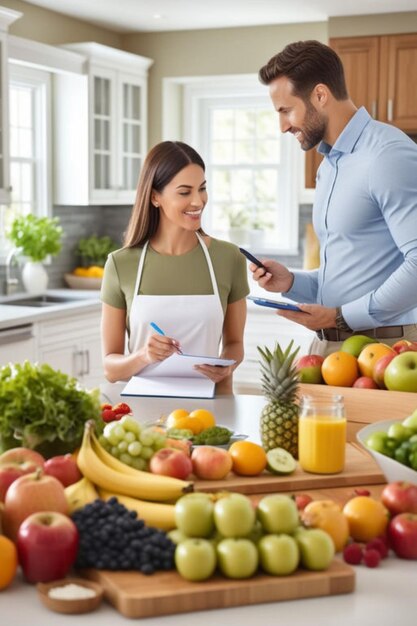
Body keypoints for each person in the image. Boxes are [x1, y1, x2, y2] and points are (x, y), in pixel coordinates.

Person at [250, 40, 417, 355]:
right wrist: (290, 282)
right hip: (329, 347)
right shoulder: (328, 166)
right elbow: (347, 273)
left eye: (286, 110)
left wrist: (342, 317)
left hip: (386, 348)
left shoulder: (387, 154)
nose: (282, 126)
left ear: (320, 95)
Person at [101, 140, 249, 394]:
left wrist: (228, 366)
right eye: (184, 192)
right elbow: (111, 368)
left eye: (202, 189)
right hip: (144, 417)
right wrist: (144, 356)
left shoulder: (228, 258)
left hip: (212, 410)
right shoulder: (121, 264)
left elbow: (235, 343)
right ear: (155, 196)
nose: (198, 201)